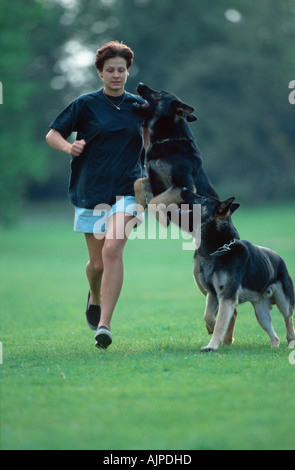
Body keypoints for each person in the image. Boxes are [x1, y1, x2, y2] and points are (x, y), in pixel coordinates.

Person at [46, 41, 150, 349]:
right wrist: (69, 146)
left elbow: (151, 140)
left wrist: (153, 170)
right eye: (110, 70)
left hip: (129, 190)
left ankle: (104, 325)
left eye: (121, 70)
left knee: (112, 250)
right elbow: (53, 133)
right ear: (100, 73)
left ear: (128, 72)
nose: (116, 75)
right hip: (90, 190)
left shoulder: (138, 106)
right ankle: (94, 293)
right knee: (98, 264)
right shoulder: (85, 104)